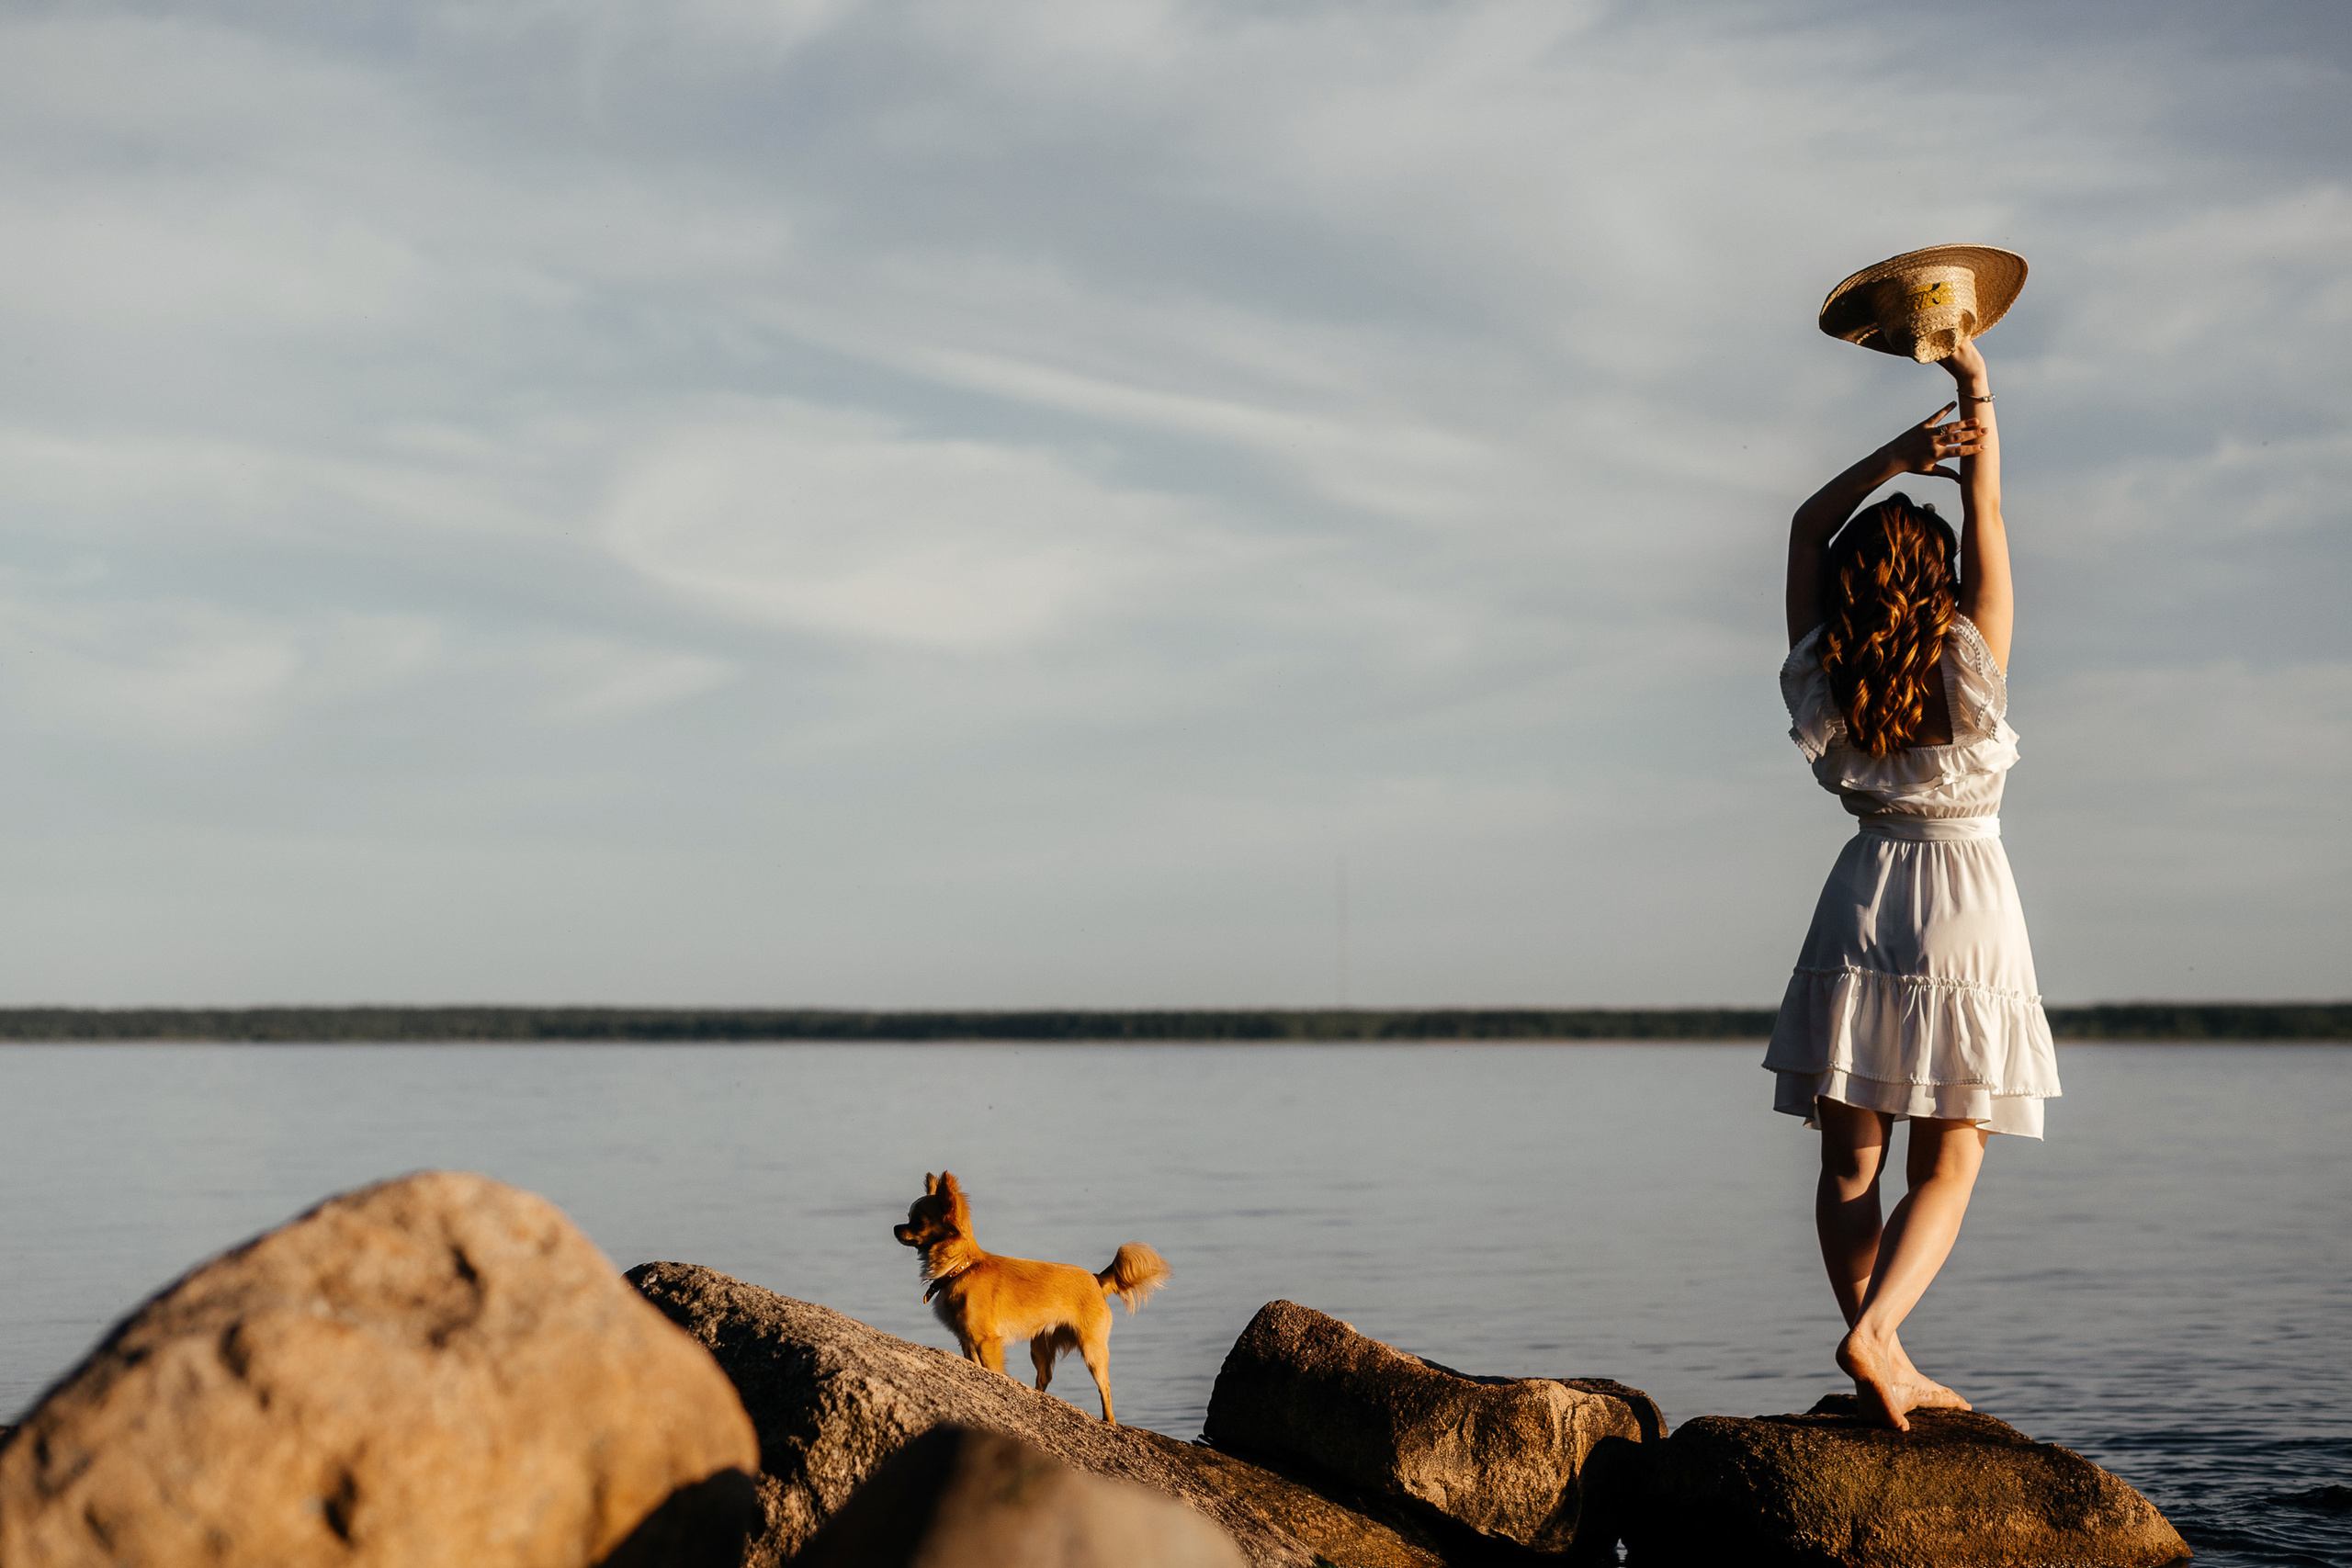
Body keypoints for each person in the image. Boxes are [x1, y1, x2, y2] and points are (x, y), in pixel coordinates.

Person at [1765, 335, 2061, 1431]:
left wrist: (1891, 454)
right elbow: (1987, 507)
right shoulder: (1970, 659)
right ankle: (1880, 1338)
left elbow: (1804, 526)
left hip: (1861, 897)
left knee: (1852, 1158)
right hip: (1965, 899)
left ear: (1850, 588)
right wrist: (1972, 390)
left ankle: (1871, 1352)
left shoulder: (1824, 669)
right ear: (1935, 583)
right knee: (1955, 1146)